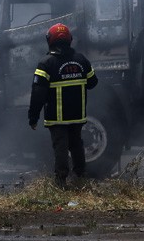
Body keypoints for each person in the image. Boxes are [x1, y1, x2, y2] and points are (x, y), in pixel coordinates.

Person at [28, 23, 98, 187]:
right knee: (77, 144)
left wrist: (33, 117)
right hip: (77, 115)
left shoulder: (46, 64)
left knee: (61, 146)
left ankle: (60, 181)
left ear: (50, 41)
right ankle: (80, 177)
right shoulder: (81, 60)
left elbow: (38, 94)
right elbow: (93, 82)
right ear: (69, 40)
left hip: (57, 117)